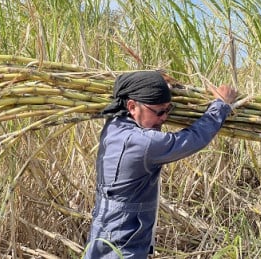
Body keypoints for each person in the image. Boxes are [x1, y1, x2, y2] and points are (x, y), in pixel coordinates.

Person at [83, 70, 238, 258]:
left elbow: (127, 85)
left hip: (106, 228)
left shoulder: (115, 124)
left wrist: (155, 82)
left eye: (168, 110)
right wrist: (221, 105)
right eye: (159, 111)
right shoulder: (142, 143)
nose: (165, 117)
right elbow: (193, 139)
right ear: (132, 106)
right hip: (123, 239)